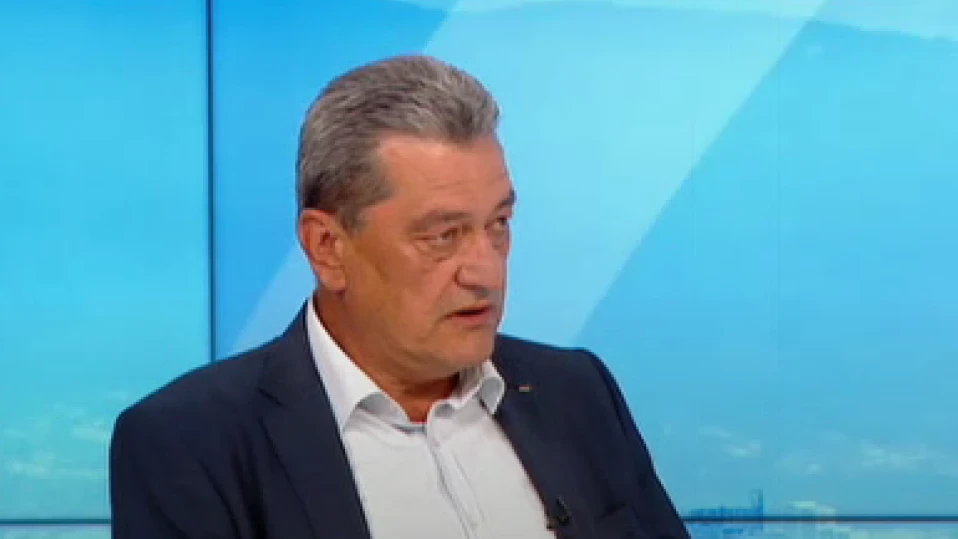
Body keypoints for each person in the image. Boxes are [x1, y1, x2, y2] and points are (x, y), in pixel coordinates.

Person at [108, 54, 689, 539]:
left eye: (498, 225)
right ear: (327, 246)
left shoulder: (577, 393)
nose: (486, 271)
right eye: (443, 236)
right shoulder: (189, 443)